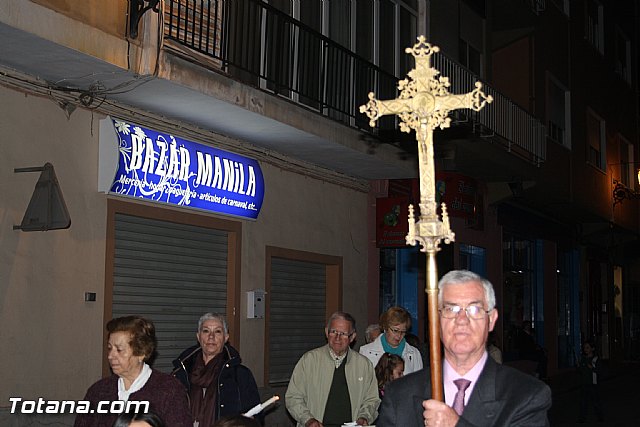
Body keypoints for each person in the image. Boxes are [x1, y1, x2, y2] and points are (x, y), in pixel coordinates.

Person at [378, 270, 551, 426]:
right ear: (436, 321)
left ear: (491, 320)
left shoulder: (526, 395)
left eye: (474, 309)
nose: (461, 319)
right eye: (450, 309)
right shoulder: (400, 395)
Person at [74, 316, 192, 427]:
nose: (111, 356)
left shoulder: (169, 390)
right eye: (110, 348)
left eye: (119, 350)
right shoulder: (98, 391)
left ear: (141, 353)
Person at [285, 311, 380, 427]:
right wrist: (308, 420)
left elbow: (372, 399)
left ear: (352, 337)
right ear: (326, 332)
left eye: (343, 334)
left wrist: (364, 417)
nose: (337, 338)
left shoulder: (363, 365)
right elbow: (293, 397)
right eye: (333, 332)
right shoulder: (309, 361)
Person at [172, 313, 261, 427]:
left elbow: (256, 415)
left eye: (217, 331)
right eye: (206, 331)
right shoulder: (181, 372)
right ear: (198, 337)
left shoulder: (240, 375)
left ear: (226, 338)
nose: (211, 337)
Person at [359, 306, 423, 374]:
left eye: (403, 332)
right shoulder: (365, 352)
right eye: (395, 331)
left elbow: (419, 382)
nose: (399, 336)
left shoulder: (414, 354)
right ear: (385, 327)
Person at [577, 340, 604, 423]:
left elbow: (600, 371)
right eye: (584, 348)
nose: (585, 349)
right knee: (583, 402)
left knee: (595, 402)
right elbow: (581, 371)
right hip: (584, 384)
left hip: (593, 384)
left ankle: (600, 417)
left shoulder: (595, 359)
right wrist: (578, 366)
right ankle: (582, 418)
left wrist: (592, 368)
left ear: (592, 349)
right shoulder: (583, 359)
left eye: (587, 348)